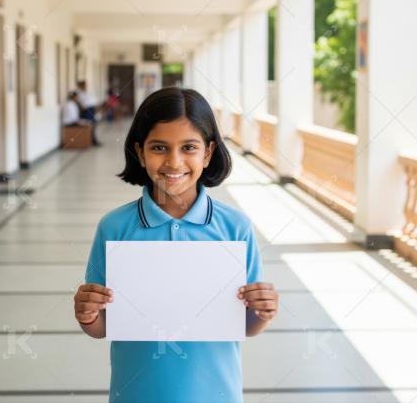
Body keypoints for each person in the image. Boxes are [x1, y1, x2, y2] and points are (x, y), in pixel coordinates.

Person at [73, 87, 279, 402]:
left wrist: (263, 311)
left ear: (208, 153)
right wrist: (87, 314)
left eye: (188, 147)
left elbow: (246, 325)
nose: (173, 162)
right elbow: (102, 327)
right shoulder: (114, 227)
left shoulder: (235, 228)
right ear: (140, 152)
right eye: (159, 147)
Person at [76, 81, 101, 146]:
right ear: (80, 86)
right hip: (86, 110)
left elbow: (94, 100)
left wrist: (96, 108)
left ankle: (93, 140)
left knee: (94, 124)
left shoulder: (89, 91)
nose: (85, 86)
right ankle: (91, 141)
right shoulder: (78, 93)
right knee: (89, 125)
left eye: (85, 85)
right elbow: (80, 103)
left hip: (92, 109)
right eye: (83, 85)